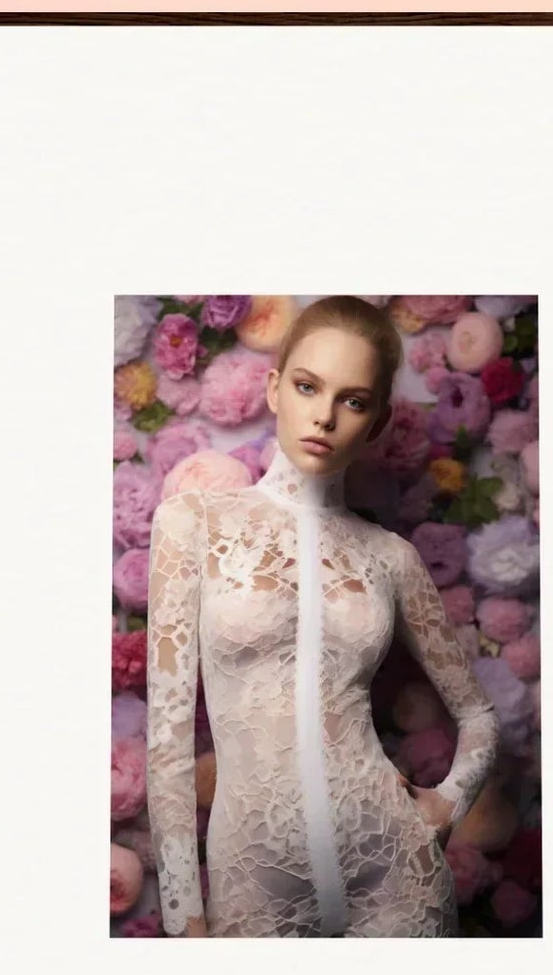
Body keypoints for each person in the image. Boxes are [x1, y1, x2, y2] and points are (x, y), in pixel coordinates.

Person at [144, 296, 499, 937]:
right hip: (253, 879)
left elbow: (479, 714)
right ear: (276, 388)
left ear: (378, 420)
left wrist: (449, 802)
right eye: (309, 387)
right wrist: (182, 920)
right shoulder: (193, 524)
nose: (326, 416)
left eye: (354, 400)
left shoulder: (393, 557)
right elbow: (167, 743)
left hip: (396, 870)